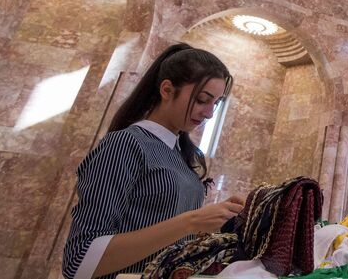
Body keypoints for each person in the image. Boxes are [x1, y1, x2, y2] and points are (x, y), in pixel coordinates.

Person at [63, 43, 245, 279]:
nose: (209, 113)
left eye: (216, 104)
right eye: (202, 99)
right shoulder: (126, 144)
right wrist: (190, 222)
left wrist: (226, 218)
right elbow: (79, 261)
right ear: (167, 90)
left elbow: (169, 243)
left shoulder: (182, 157)